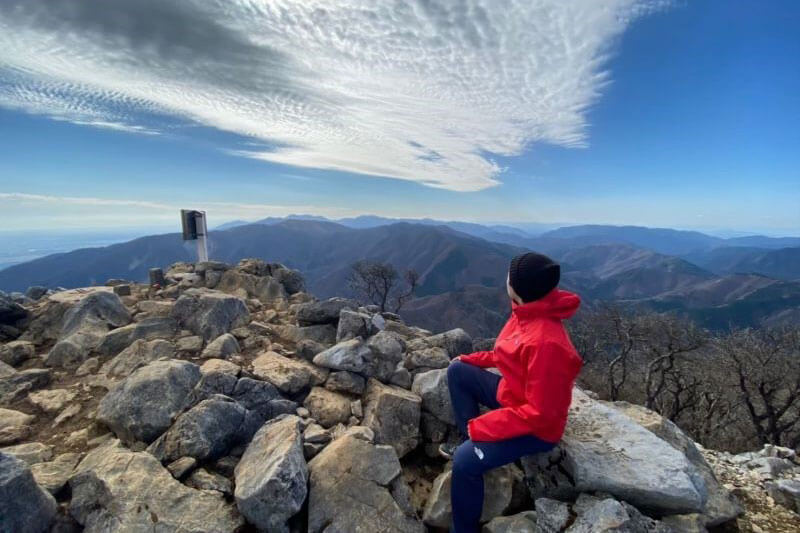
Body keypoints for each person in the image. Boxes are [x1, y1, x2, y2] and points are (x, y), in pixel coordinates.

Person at [441, 251, 583, 533]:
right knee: (457, 372)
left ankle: (464, 529)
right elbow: (507, 353)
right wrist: (471, 359)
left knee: (465, 462)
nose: (505, 278)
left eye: (510, 275)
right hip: (513, 395)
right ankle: (465, 438)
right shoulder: (527, 310)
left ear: (519, 288)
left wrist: (482, 427)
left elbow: (540, 415)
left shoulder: (548, 345)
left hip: (536, 428)